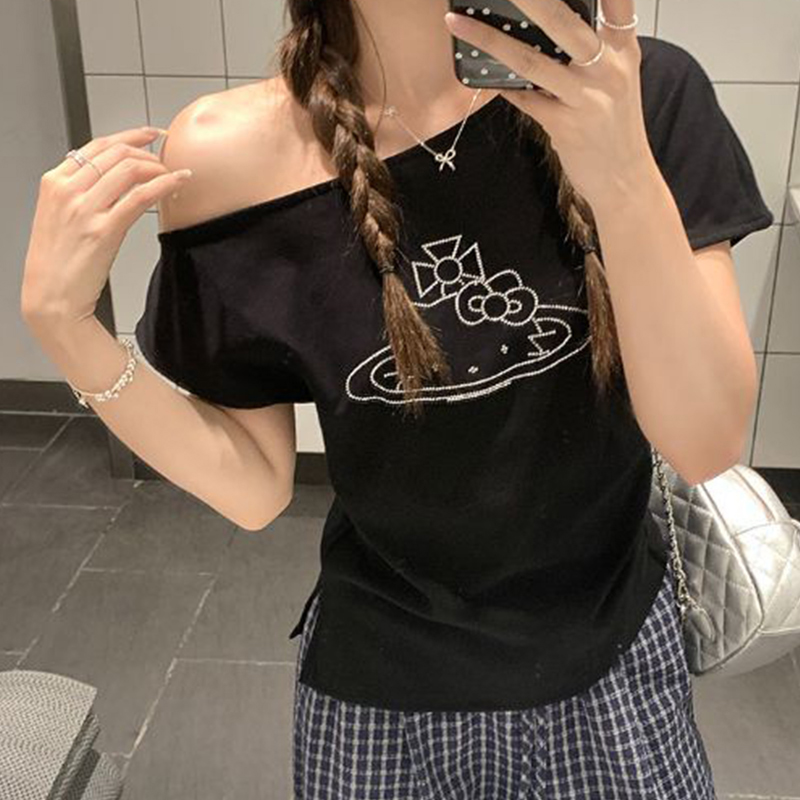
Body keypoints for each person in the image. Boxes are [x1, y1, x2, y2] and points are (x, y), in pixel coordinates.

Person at [21, 0, 775, 797]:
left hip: (615, 664)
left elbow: (704, 441)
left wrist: (622, 174)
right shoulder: (230, 159)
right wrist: (69, 331)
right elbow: (254, 485)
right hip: (382, 696)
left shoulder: (643, 93)